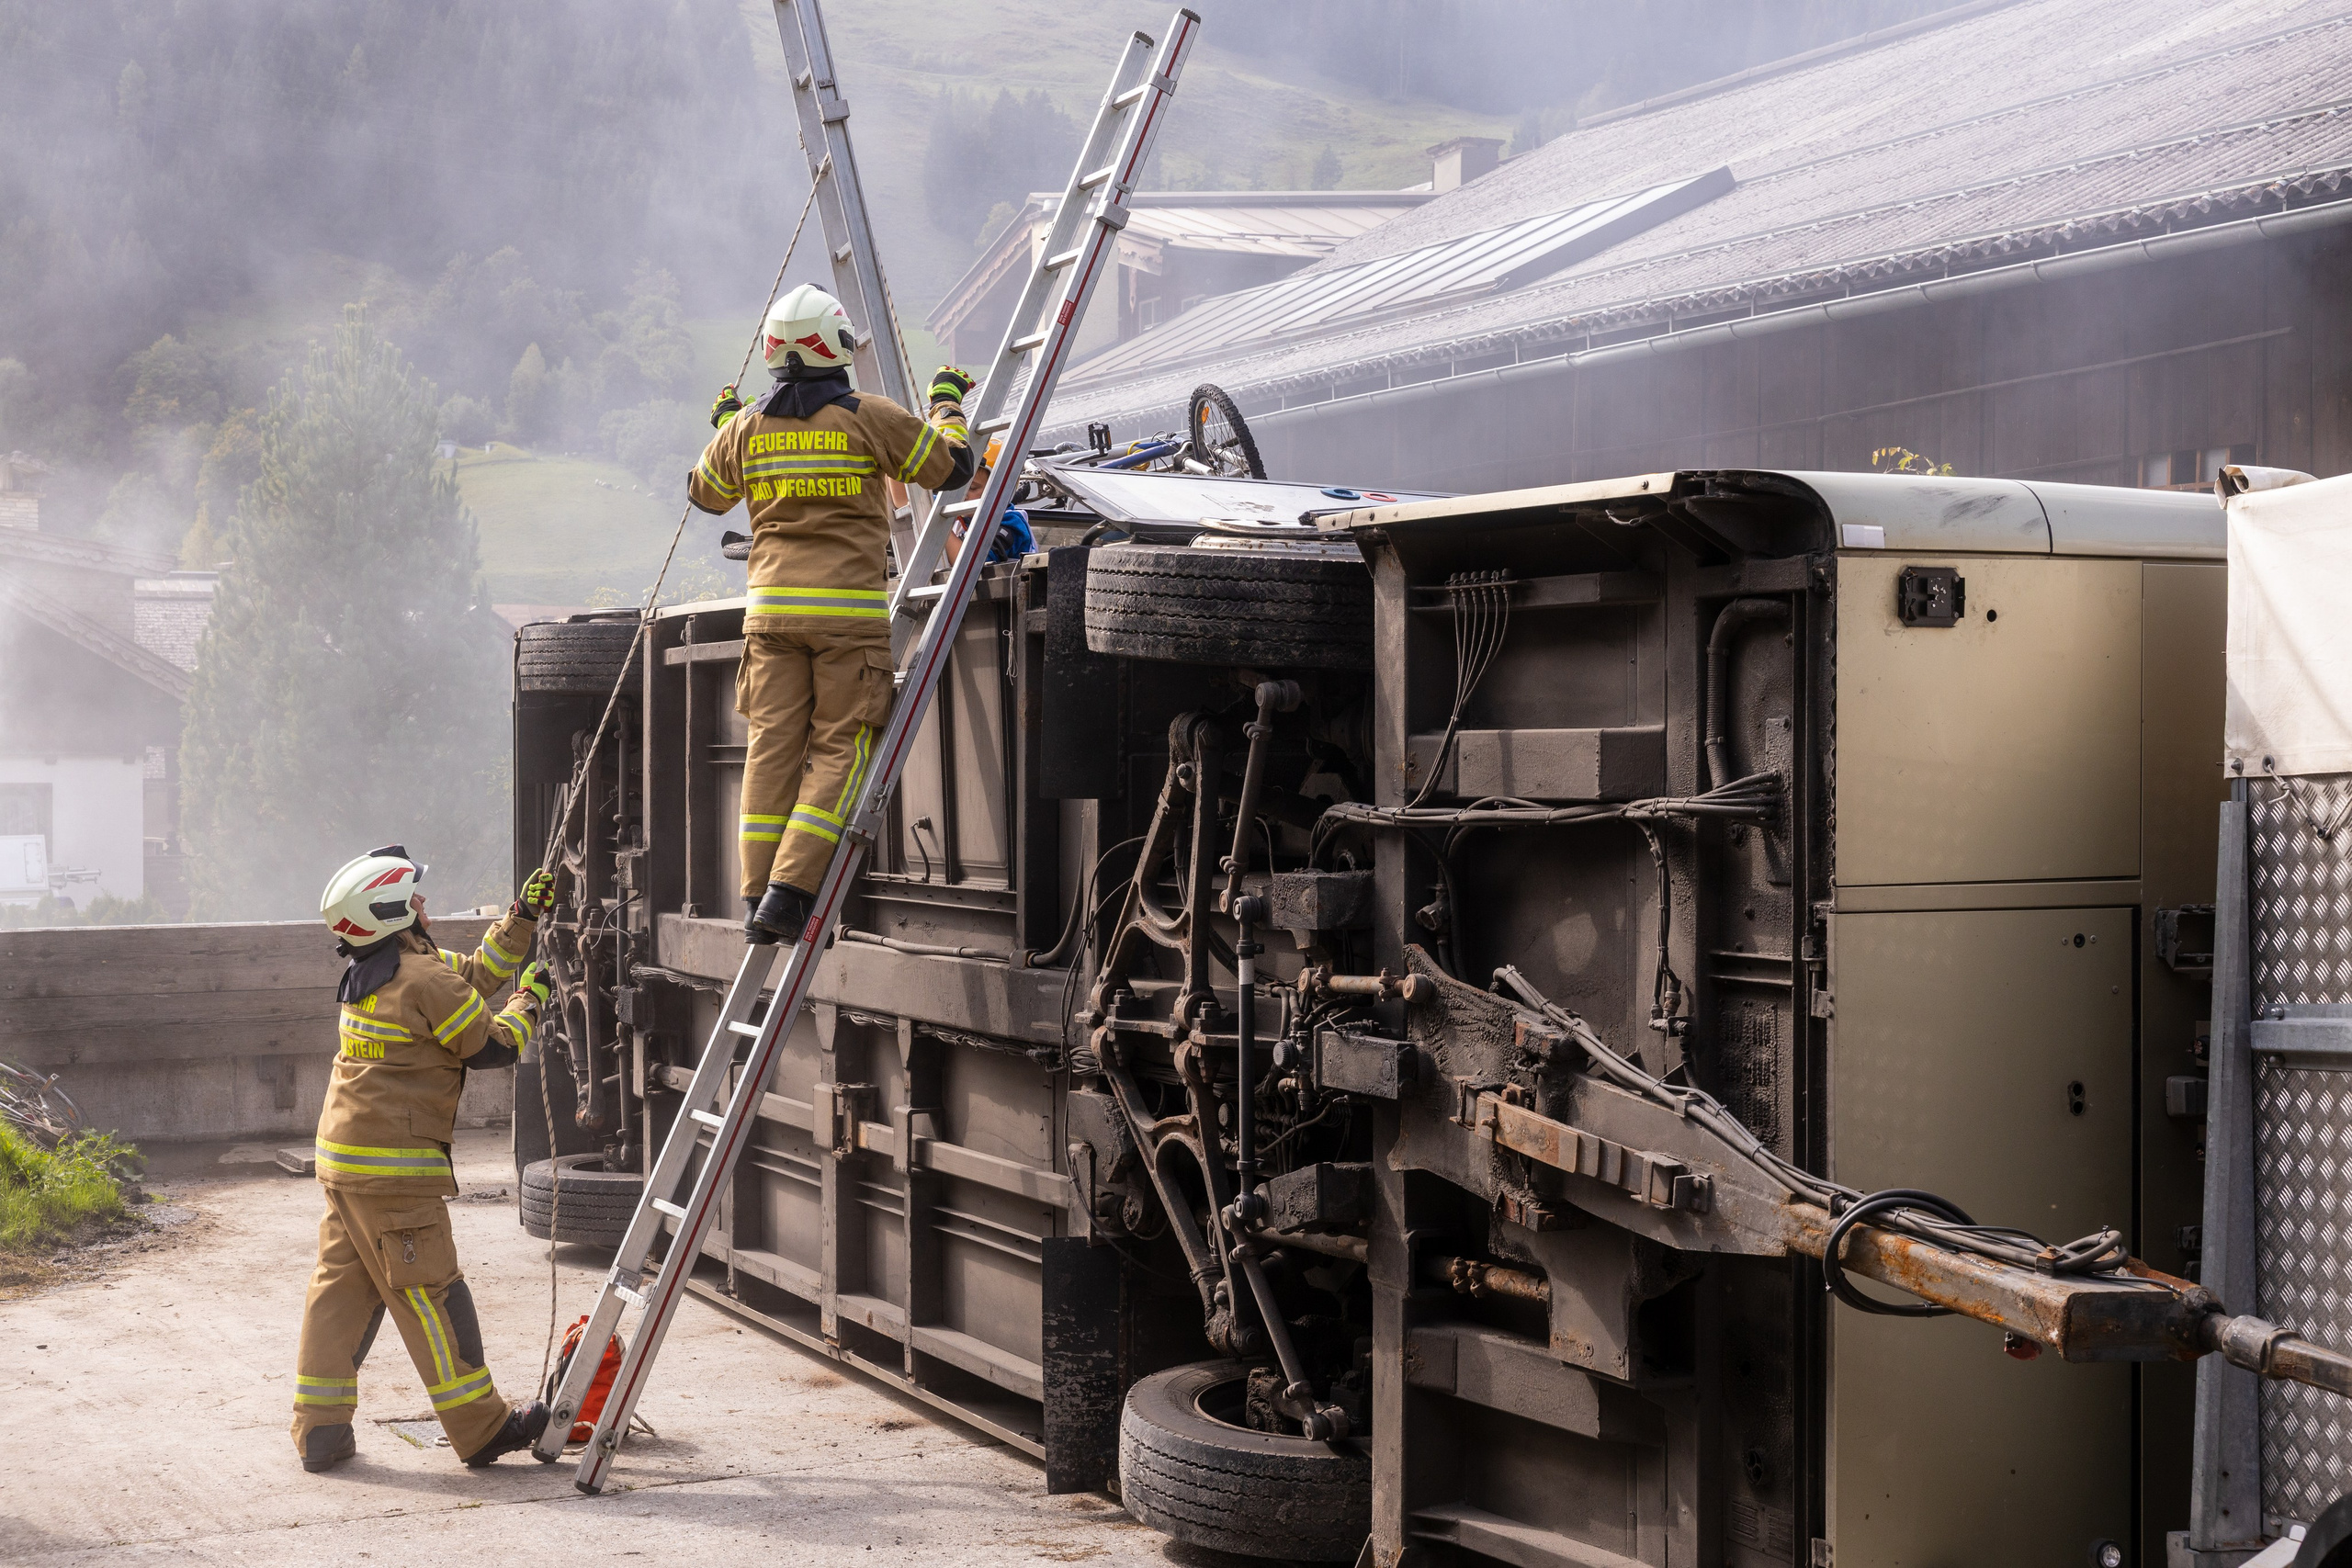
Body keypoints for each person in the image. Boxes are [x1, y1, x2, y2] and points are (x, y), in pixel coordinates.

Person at [693, 284, 976, 943]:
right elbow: (950, 468)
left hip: (769, 620)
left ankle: (757, 894)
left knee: (769, 752)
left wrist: (727, 425)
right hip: (846, 621)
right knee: (838, 753)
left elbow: (705, 493)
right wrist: (945, 402)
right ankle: (790, 894)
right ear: (839, 345)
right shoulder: (867, 416)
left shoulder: (749, 428)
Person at [290, 848, 555, 1473]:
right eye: (414, 900)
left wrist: (520, 918)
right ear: (391, 912)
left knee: (340, 1292)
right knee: (432, 1297)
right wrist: (532, 1000)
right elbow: (489, 1044)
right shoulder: (424, 979)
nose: (424, 907)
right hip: (394, 1176)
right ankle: (483, 1428)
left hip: (345, 1164)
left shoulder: (386, 969)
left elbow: (475, 974)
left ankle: (319, 1430)